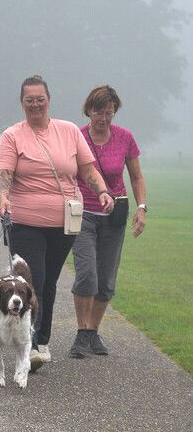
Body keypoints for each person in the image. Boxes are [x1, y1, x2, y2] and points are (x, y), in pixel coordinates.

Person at [0, 75, 114, 370]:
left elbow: (87, 169)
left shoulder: (69, 131)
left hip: (63, 224)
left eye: (40, 99)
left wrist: (102, 191)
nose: (35, 105)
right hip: (25, 221)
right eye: (29, 100)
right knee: (31, 279)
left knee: (48, 281)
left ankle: (42, 339)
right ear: (22, 103)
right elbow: (4, 174)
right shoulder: (13, 135)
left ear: (49, 100)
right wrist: (4, 198)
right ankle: (31, 344)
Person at [69, 85, 147, 358]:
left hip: (115, 216)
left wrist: (142, 208)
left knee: (106, 279)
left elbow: (136, 177)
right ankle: (81, 333)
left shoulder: (125, 138)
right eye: (98, 112)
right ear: (88, 110)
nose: (103, 118)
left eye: (109, 113)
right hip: (82, 214)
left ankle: (92, 332)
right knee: (87, 273)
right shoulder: (76, 136)